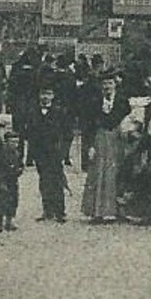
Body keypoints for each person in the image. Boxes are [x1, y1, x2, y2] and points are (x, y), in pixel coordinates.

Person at [80, 72, 130, 223]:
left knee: (117, 173)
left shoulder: (122, 102)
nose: (107, 87)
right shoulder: (94, 102)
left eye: (110, 83)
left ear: (115, 85)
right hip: (100, 139)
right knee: (99, 173)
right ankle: (98, 212)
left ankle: (118, 211)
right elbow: (88, 126)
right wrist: (89, 146)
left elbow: (127, 122)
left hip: (117, 140)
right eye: (104, 84)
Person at [22, 86, 71, 223]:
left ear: (53, 96)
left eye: (48, 94)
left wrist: (63, 151)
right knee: (44, 180)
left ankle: (60, 211)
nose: (45, 97)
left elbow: (67, 133)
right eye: (43, 93)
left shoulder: (60, 112)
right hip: (39, 152)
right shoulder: (32, 111)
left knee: (57, 179)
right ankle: (47, 210)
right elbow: (28, 131)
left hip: (55, 151)